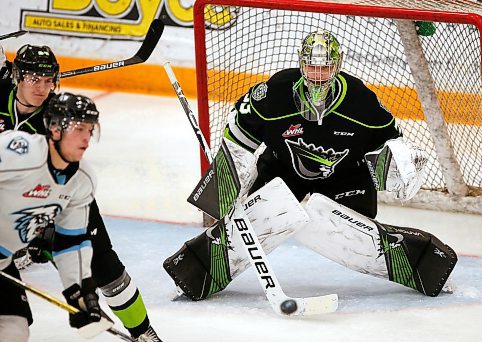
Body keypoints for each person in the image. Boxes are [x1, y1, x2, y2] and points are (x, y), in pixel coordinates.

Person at [163, 30, 457, 301]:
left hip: (347, 180)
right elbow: (239, 133)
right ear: (302, 65)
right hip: (282, 173)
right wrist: (226, 186)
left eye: (325, 67)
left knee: (346, 232)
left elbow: (391, 142)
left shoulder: (360, 101)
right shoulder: (274, 94)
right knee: (258, 217)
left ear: (337, 65)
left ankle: (424, 264)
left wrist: (397, 168)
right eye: (312, 67)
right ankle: (196, 272)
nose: (318, 75)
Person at [0, 44, 162, 341]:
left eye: (48, 80)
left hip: (58, 192)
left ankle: (143, 332)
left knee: (104, 264)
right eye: (34, 79)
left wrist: (45, 232)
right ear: (16, 76)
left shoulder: (56, 117)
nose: (42, 88)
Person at [0, 92, 104, 341]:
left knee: (14, 330)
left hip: (2, 263)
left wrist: (79, 292)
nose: (86, 138)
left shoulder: (82, 181)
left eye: (90, 129)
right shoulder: (19, 152)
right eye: (79, 128)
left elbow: (72, 241)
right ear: (55, 129)